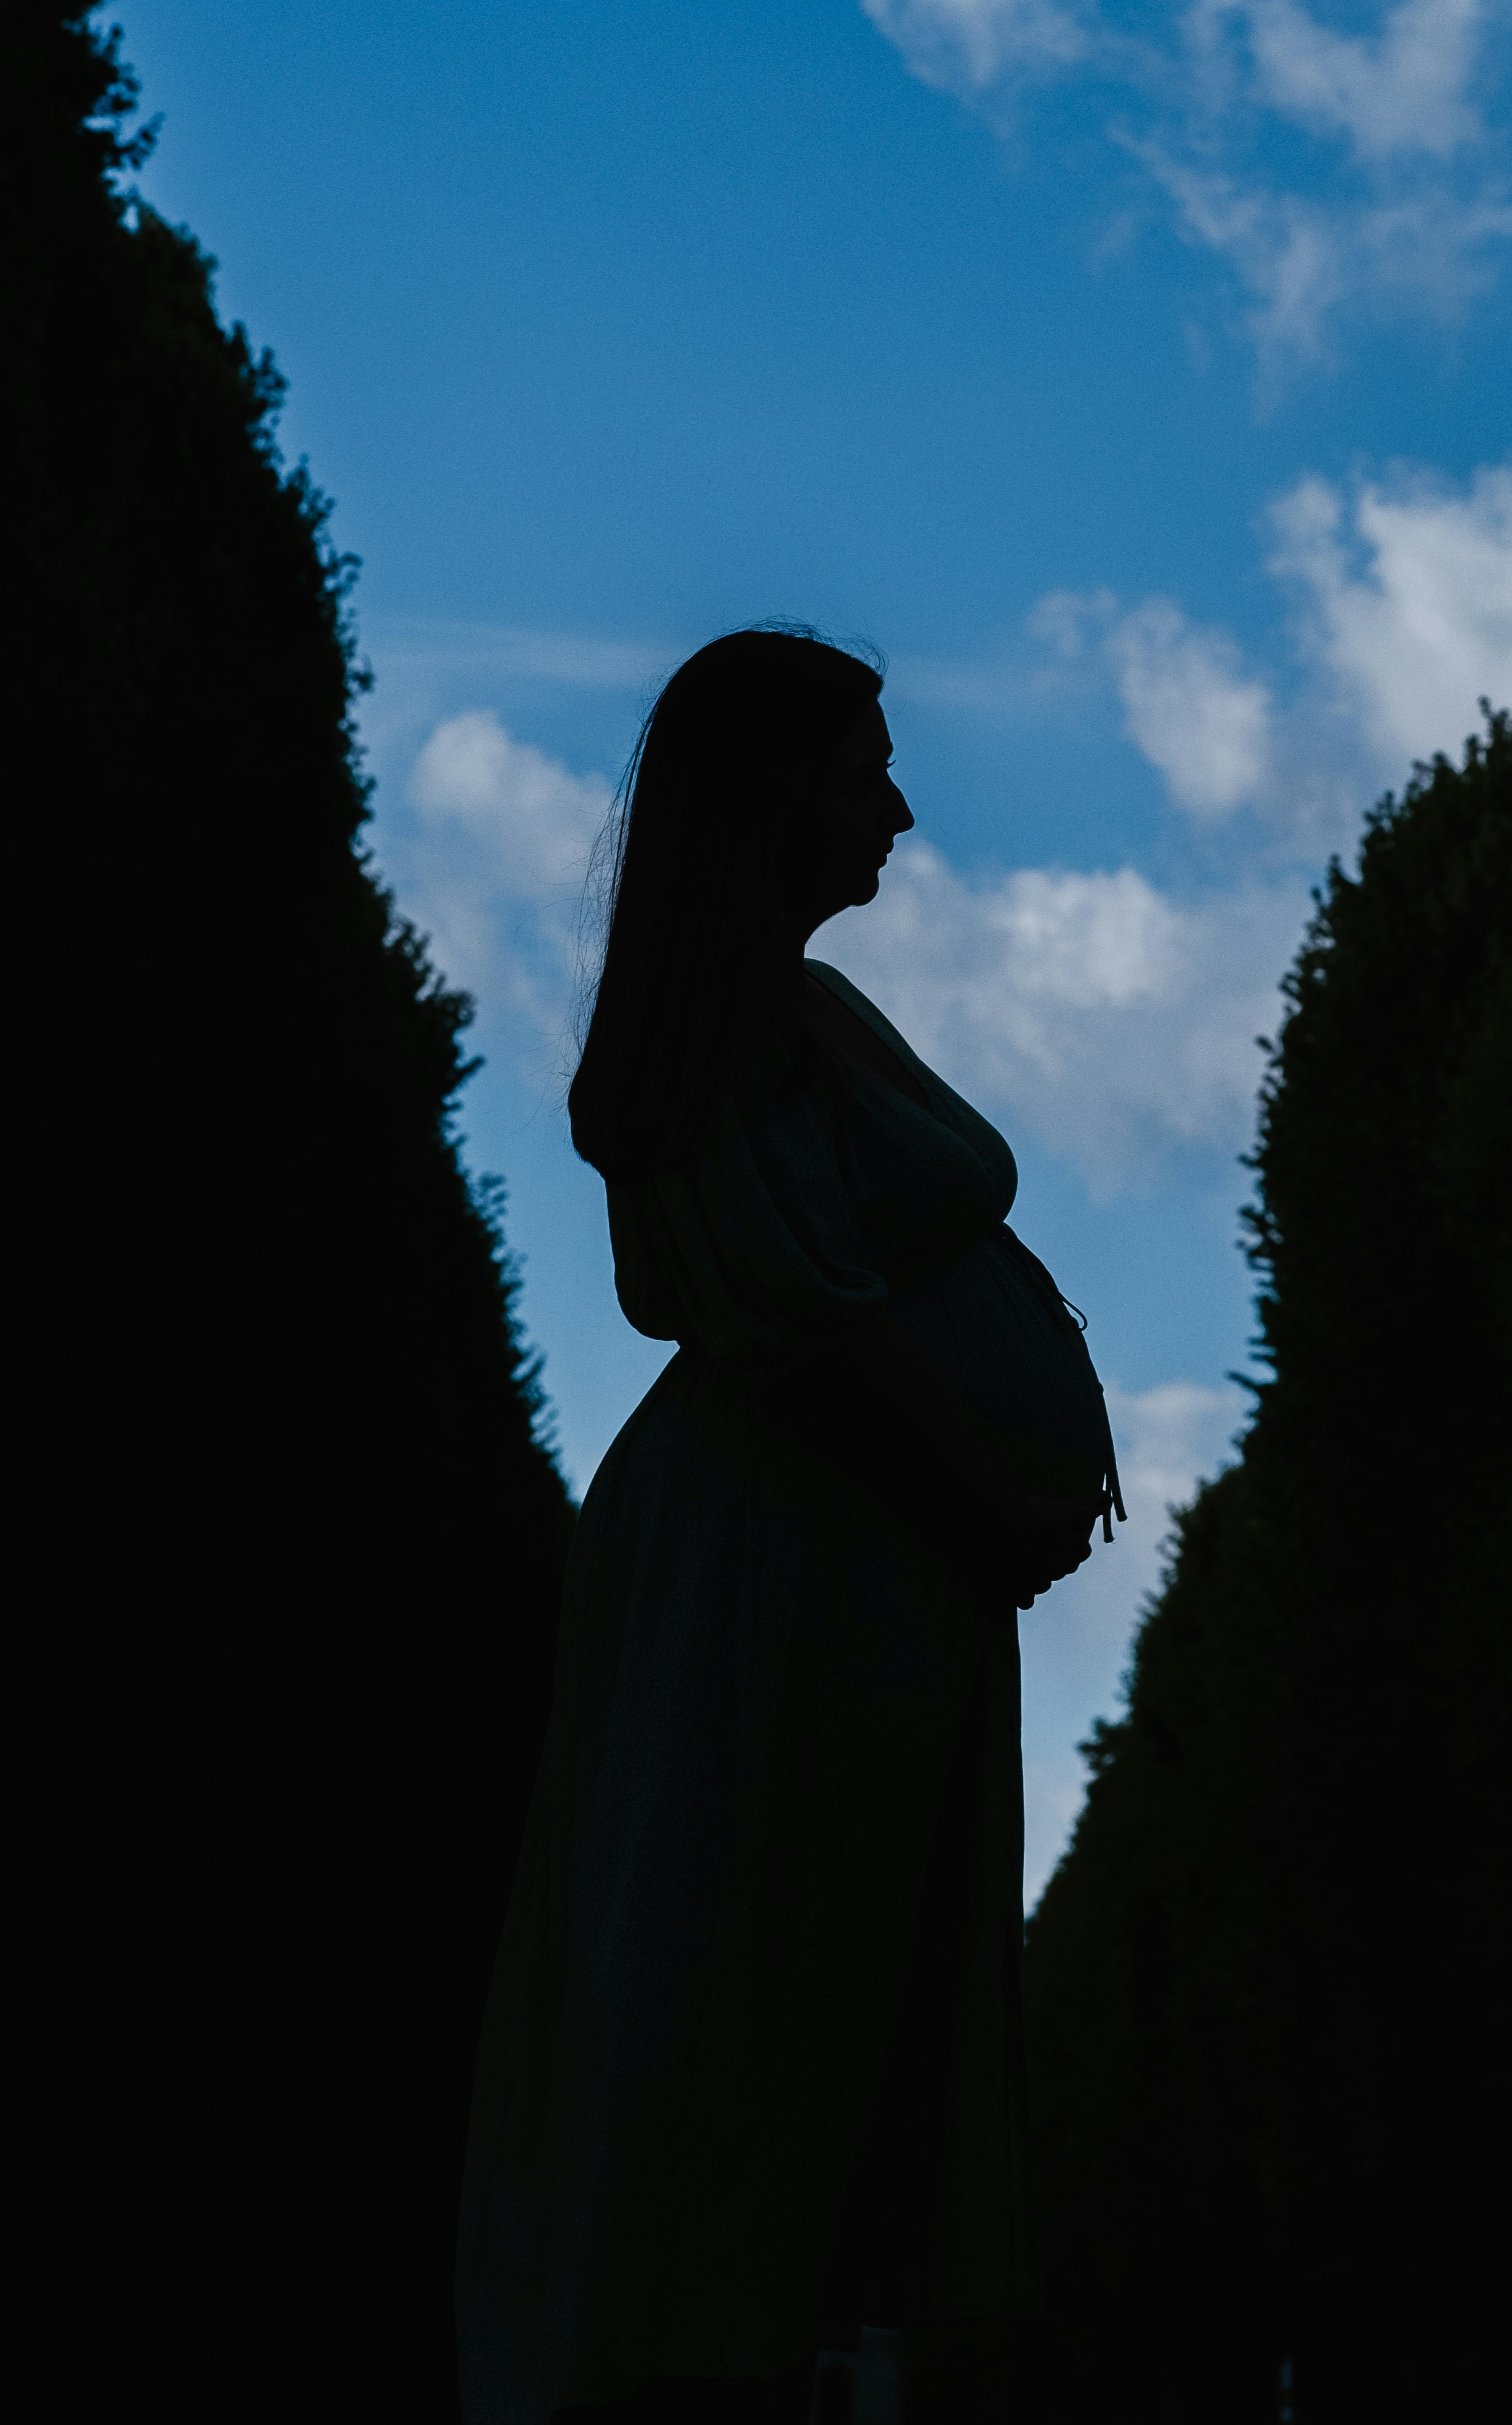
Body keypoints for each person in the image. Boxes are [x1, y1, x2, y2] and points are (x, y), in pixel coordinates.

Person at [458, 628, 1124, 2424]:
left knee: (796, 2010)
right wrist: (987, 1497)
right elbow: (805, 1328)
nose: (899, 806)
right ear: (769, 804)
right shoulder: (722, 1031)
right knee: (743, 2001)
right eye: (862, 769)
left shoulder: (788, 1012)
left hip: (849, 1566)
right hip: (782, 1574)